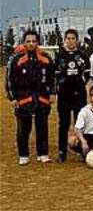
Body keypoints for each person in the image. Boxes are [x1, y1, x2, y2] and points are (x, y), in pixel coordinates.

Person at [6, 30, 56, 165]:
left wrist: (52, 93)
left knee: (42, 126)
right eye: (28, 41)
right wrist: (12, 98)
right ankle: (23, 155)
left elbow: (52, 78)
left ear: (38, 42)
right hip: (23, 99)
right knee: (23, 128)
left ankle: (43, 153)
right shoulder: (16, 59)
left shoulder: (46, 58)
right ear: (24, 42)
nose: (31, 44)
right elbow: (9, 80)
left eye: (34, 41)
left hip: (41, 98)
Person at [55, 29, 90, 163]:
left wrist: (78, 83)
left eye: (73, 38)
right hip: (64, 94)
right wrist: (66, 84)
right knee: (63, 124)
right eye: (68, 38)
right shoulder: (60, 56)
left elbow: (86, 75)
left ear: (77, 40)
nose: (70, 41)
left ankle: (83, 150)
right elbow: (57, 75)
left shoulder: (83, 56)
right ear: (65, 40)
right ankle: (62, 152)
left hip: (79, 94)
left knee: (80, 123)